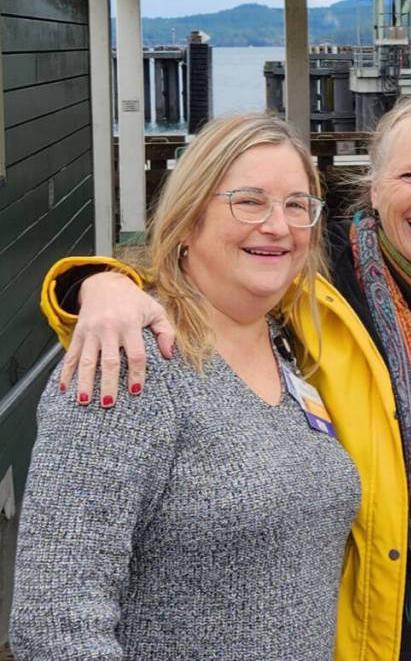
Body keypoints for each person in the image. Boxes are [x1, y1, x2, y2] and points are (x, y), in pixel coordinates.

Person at [36, 95, 411, 661]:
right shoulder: (320, 294)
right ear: (372, 189)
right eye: (249, 201)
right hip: (378, 627)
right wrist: (101, 285)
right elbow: (57, 613)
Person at [10, 113, 362, 659]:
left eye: (297, 205)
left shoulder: (292, 344)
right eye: (249, 201)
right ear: (191, 216)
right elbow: (56, 620)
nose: (278, 225)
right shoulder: (130, 361)